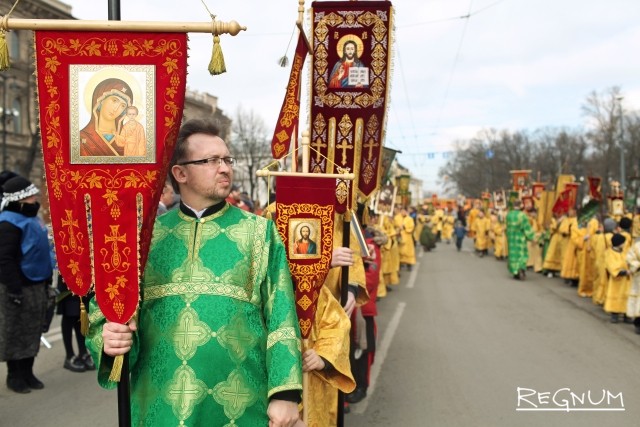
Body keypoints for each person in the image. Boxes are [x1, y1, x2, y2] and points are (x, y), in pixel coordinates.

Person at [86, 119, 303, 426]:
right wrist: (109, 341)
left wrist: (285, 395)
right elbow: (116, 315)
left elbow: (282, 315)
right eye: (211, 161)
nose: (225, 168)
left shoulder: (260, 233)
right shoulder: (144, 240)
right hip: (159, 405)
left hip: (240, 405)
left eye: (227, 159)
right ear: (180, 173)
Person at [0, 175, 53, 393]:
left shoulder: (33, 218)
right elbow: (4, 259)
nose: (35, 198)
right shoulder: (7, 223)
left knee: (33, 330)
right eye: (30, 195)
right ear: (19, 198)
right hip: (18, 287)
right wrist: (14, 289)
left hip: (37, 286)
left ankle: (28, 372)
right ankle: (15, 376)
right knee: (15, 333)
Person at [80, 78, 132, 156]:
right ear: (101, 99)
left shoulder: (128, 139)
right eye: (114, 100)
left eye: (123, 105)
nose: (116, 109)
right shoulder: (82, 138)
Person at [56, 274, 95, 372]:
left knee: (81, 315)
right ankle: (69, 356)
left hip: (84, 274)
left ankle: (83, 352)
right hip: (69, 272)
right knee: (69, 314)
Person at [604, 233, 631, 323]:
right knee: (615, 296)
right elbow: (612, 267)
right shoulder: (610, 253)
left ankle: (626, 315)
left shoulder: (624, 252)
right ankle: (614, 315)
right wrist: (623, 271)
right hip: (617, 280)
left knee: (626, 296)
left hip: (626, 281)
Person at [505, 200, 534, 280]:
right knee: (521, 254)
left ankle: (515, 271)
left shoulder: (509, 215)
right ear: (521, 205)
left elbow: (506, 226)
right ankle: (521, 269)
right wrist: (532, 237)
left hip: (511, 238)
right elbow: (527, 228)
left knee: (513, 255)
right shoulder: (523, 215)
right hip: (520, 238)